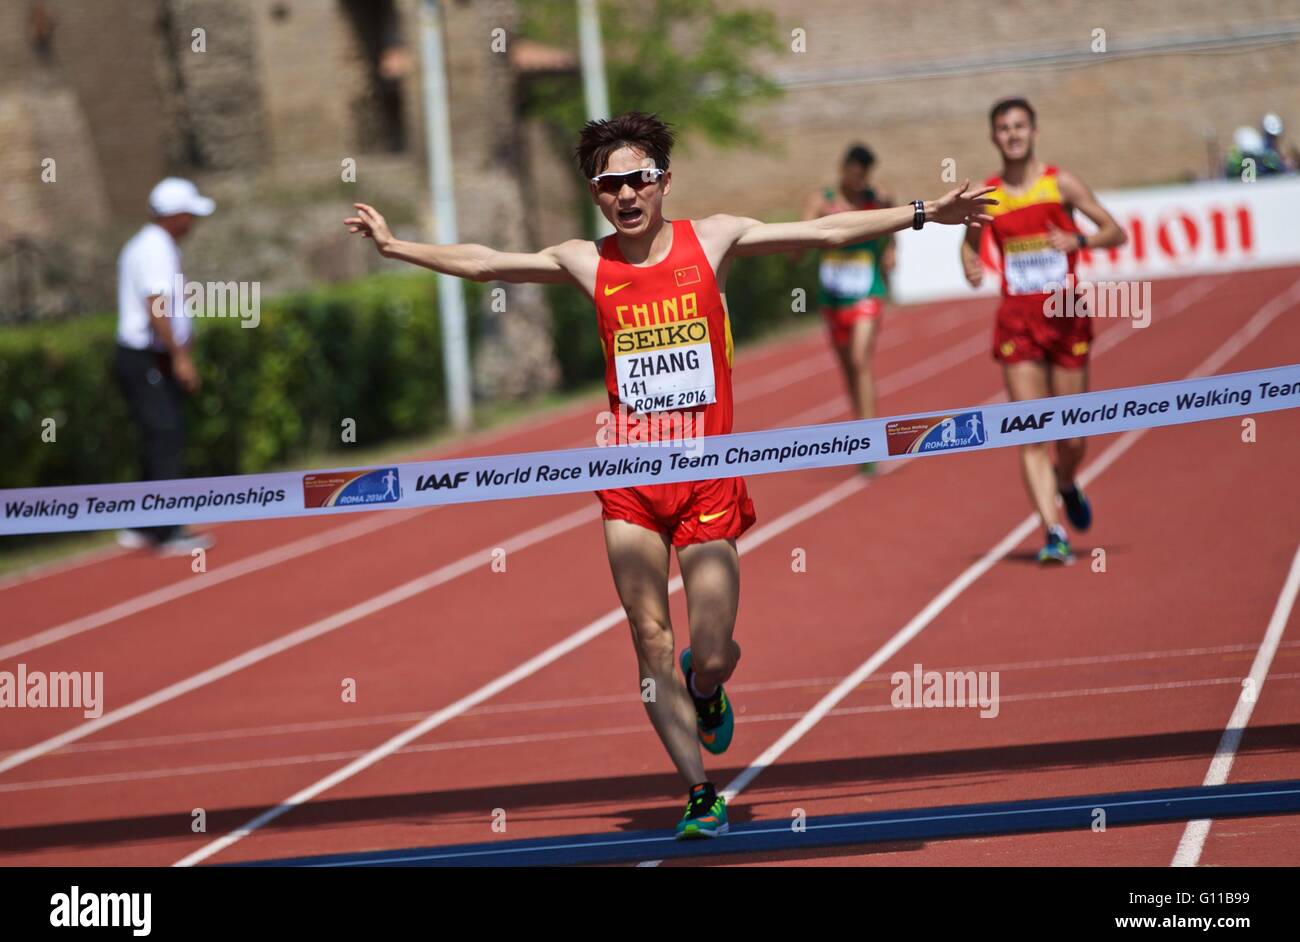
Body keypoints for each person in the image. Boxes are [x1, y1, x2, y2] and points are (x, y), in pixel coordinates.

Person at [347, 111, 995, 837]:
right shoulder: (584, 260)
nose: (625, 195)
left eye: (637, 180)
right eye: (609, 184)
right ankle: (698, 791)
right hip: (629, 482)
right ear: (595, 194)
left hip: (709, 478)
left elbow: (820, 234)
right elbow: (486, 262)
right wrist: (398, 246)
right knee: (648, 633)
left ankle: (708, 685)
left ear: (663, 182)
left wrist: (924, 213)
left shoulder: (711, 238)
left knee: (709, 651)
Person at [960, 97, 1127, 564]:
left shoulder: (1062, 183)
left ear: (1034, 131)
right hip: (1018, 323)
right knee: (1030, 432)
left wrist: (1080, 240)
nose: (1012, 134)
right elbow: (969, 246)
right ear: (994, 137)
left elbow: (1116, 231)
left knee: (1072, 437)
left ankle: (1067, 481)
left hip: (1067, 314)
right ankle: (1053, 533)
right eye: (1003, 128)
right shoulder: (990, 194)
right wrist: (970, 265)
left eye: (1019, 126)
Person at [112, 177, 215, 556]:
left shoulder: (152, 244)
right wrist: (180, 356)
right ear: (173, 216)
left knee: (159, 438)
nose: (192, 223)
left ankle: (143, 522)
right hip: (146, 358)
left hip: (147, 357)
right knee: (166, 438)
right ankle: (168, 529)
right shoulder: (154, 247)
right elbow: (156, 305)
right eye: (188, 214)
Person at [803, 144, 896, 471]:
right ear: (844, 170)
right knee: (847, 369)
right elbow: (801, 235)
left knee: (860, 360)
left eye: (864, 176)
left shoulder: (877, 198)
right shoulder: (822, 200)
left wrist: (891, 249)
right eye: (854, 175)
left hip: (867, 291)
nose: (859, 182)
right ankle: (862, 432)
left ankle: (871, 445)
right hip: (833, 298)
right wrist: (797, 250)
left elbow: (894, 218)